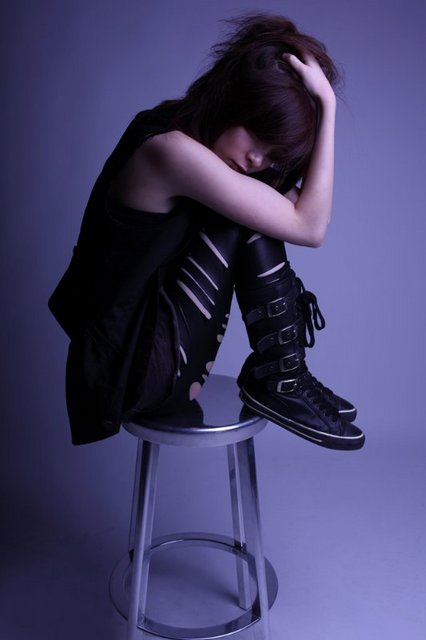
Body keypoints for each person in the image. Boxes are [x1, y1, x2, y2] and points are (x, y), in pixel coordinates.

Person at [49, 14, 365, 450]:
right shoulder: (169, 151)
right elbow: (310, 227)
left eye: (273, 154)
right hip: (133, 371)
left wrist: (314, 118)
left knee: (254, 207)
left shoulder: (203, 149)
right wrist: (327, 108)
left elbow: (309, 212)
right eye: (256, 134)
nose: (257, 160)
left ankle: (284, 377)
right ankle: (283, 378)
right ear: (231, 99)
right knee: (247, 216)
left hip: (166, 352)